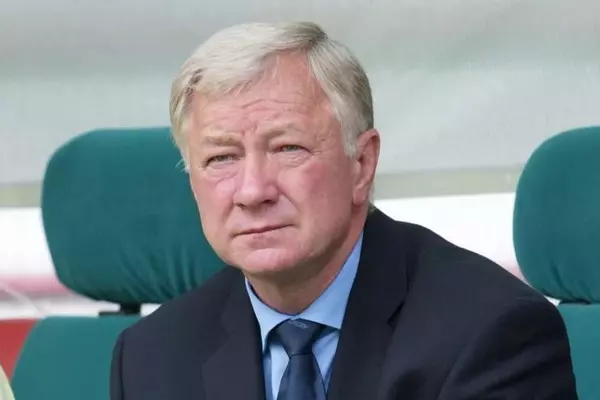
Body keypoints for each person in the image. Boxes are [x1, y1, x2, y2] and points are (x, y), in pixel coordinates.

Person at [110, 22, 577, 399]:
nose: (252, 191)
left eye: (288, 148)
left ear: (361, 164)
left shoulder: (489, 332)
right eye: (221, 158)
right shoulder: (151, 357)